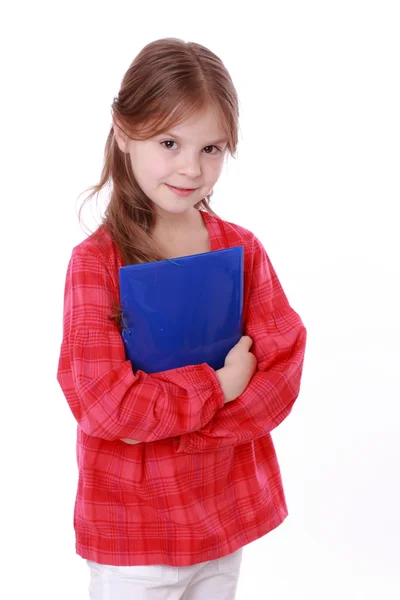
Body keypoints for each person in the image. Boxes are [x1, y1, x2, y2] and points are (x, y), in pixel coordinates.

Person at [57, 37, 307, 600]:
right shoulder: (95, 265)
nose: (191, 168)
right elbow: (102, 402)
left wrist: (181, 432)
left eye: (212, 148)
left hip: (221, 523)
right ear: (124, 133)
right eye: (169, 142)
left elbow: (282, 368)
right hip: (134, 535)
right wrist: (217, 387)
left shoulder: (241, 252)